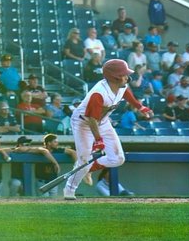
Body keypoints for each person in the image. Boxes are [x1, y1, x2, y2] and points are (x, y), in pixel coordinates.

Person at [63, 59, 153, 200]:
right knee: (83, 159)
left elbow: (126, 93)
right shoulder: (99, 93)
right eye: (123, 74)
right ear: (114, 77)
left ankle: (89, 168)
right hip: (83, 123)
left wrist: (140, 107)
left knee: (118, 158)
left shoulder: (121, 85)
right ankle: (69, 190)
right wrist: (98, 140)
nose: (127, 77)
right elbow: (92, 120)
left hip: (103, 122)